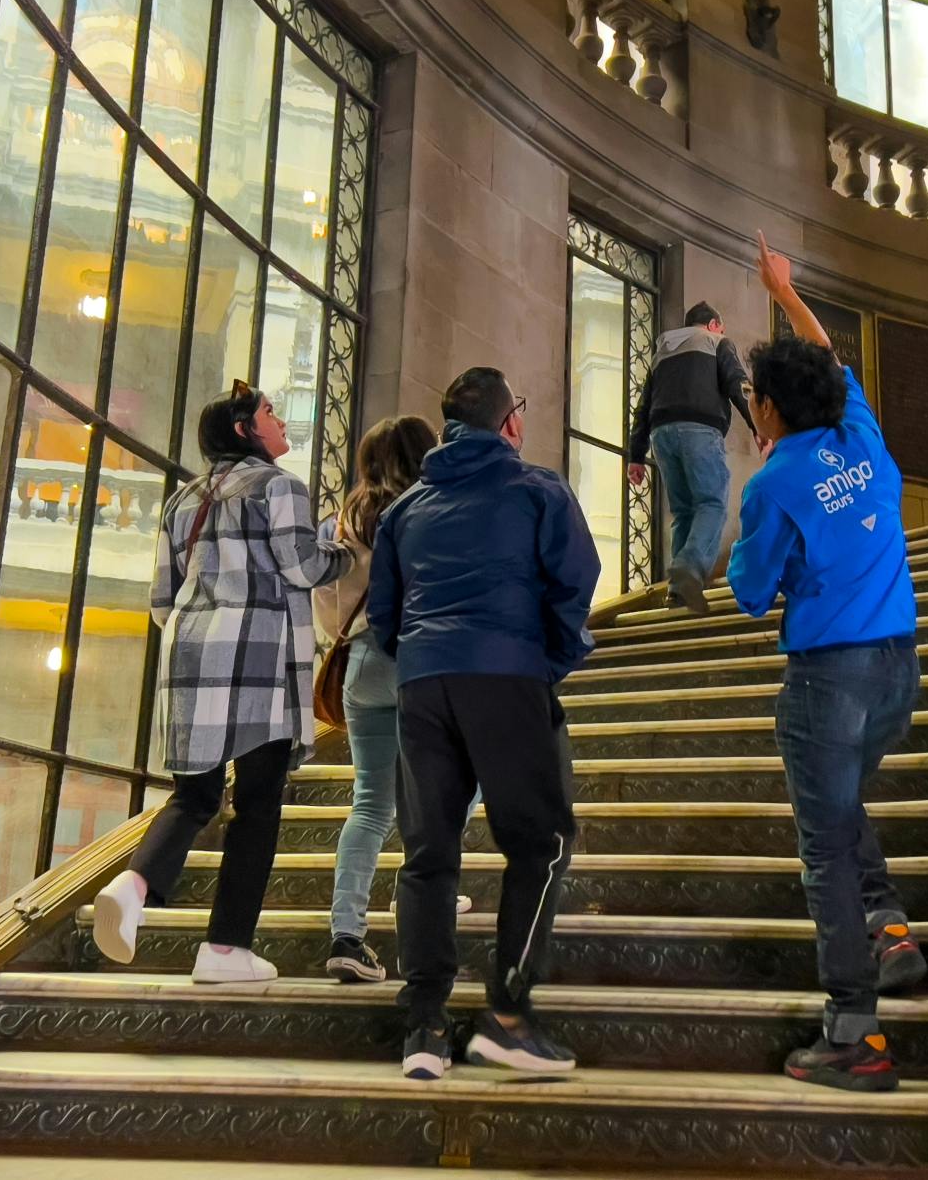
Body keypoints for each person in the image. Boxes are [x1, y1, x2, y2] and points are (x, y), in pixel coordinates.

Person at [727, 233, 926, 1092]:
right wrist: (786, 292)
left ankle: (855, 1035)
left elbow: (747, 590)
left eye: (753, 401)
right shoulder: (860, 431)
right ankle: (886, 923)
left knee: (824, 849)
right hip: (899, 672)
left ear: (768, 409)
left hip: (829, 680)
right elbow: (830, 360)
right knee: (843, 804)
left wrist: (768, 490)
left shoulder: (773, 482)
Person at [370, 367, 601, 1079]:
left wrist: (425, 661)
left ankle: (424, 1028)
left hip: (422, 683)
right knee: (543, 842)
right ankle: (506, 1015)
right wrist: (544, 661)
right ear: (510, 422)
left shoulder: (404, 511)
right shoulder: (538, 490)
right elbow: (575, 581)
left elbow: (384, 616)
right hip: (506, 675)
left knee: (429, 853)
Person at [90, 381, 353, 984]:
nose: (279, 419)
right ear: (244, 429)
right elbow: (303, 565)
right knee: (258, 803)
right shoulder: (280, 487)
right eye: (268, 412)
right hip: (257, 653)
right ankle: (225, 949)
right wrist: (339, 549)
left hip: (188, 652)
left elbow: (161, 598)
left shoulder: (182, 500)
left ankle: (134, 884)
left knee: (195, 796)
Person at [311, 415, 473, 984]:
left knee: (371, 803)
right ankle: (427, 890)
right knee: (458, 783)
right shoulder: (430, 508)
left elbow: (328, 603)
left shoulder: (345, 517)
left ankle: (346, 934)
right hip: (418, 661)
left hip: (360, 665)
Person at [626, 302, 764, 614]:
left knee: (684, 512)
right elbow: (738, 384)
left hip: (662, 434)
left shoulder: (662, 350)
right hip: (700, 430)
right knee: (711, 504)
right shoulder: (717, 342)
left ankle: (677, 592)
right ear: (715, 324)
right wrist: (759, 427)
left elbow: (643, 405)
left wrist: (636, 454)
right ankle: (688, 568)